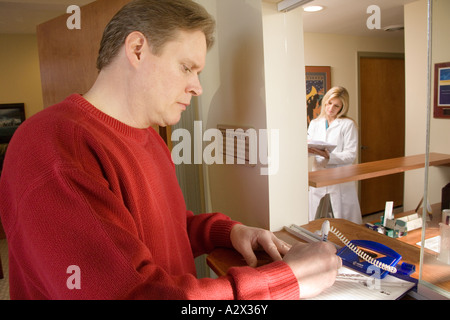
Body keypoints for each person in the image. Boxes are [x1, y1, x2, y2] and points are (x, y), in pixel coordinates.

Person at [0, 0, 340, 300]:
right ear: (136, 49)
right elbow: (133, 294)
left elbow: (165, 228)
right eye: (186, 67)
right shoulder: (53, 145)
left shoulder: (151, 139)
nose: (198, 87)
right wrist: (289, 279)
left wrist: (228, 232)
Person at [308, 86, 362, 224]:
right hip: (319, 175)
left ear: (342, 107)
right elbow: (308, 146)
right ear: (325, 101)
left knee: (344, 221)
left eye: (336, 106)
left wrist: (328, 156)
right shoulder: (315, 123)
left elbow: (351, 155)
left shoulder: (348, 125)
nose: (331, 108)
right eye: (329, 103)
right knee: (314, 219)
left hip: (339, 178)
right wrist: (307, 150)